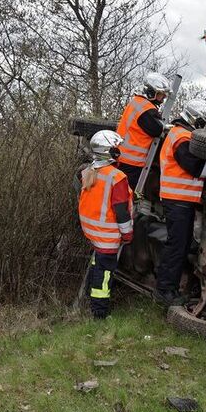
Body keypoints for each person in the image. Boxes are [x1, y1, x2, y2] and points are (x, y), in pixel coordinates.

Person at [153, 99, 206, 307]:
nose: (203, 127)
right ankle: (165, 291)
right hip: (178, 200)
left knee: (179, 245)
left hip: (180, 200)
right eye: (203, 122)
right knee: (177, 247)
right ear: (195, 119)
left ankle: (169, 288)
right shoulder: (182, 137)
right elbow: (196, 167)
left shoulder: (179, 133)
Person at [77, 130, 134, 319]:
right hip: (107, 234)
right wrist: (127, 234)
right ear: (109, 151)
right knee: (105, 274)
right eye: (116, 148)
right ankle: (99, 312)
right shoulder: (117, 177)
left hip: (92, 230)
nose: (119, 151)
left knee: (97, 263)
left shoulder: (89, 171)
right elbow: (121, 211)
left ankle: (88, 296)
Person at [115, 72, 172, 191]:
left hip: (122, 156)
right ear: (152, 92)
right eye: (161, 94)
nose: (163, 98)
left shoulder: (136, 102)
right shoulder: (147, 109)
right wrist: (169, 128)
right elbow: (156, 130)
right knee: (127, 193)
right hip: (132, 161)